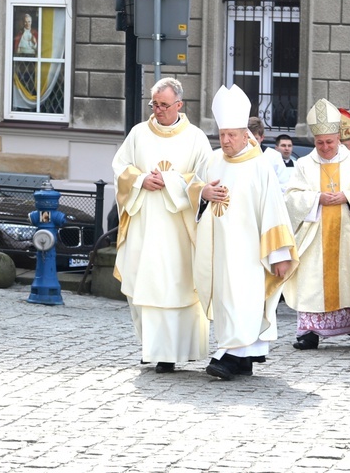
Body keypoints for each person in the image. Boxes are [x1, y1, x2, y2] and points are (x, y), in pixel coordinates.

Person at [189, 84, 297, 380]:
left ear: (244, 135)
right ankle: (243, 356)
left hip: (250, 252)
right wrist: (203, 193)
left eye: (231, 135)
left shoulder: (259, 166)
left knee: (243, 299)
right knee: (227, 302)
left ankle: (229, 356)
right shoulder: (212, 160)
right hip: (218, 249)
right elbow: (195, 189)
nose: (225, 141)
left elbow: (273, 210)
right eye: (222, 135)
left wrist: (279, 255)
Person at [112, 77, 212, 374]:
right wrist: (142, 179)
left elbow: (204, 179)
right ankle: (149, 348)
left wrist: (171, 182)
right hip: (143, 223)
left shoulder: (196, 138)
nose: (157, 110)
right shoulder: (138, 133)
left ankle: (171, 352)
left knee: (176, 289)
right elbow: (121, 168)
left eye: (164, 105)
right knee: (143, 286)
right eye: (154, 104)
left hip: (179, 230)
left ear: (179, 105)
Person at [284, 99, 350, 350]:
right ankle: (310, 332)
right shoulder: (304, 164)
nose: (325, 147)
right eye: (320, 143)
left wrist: (348, 197)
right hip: (315, 230)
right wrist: (316, 198)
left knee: (349, 277)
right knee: (311, 278)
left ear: (338, 138)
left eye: (329, 142)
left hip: (346, 231)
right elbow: (291, 197)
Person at [247, 116, 286, 190]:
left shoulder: (273, 156)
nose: (251, 142)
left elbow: (283, 185)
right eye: (248, 138)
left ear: (262, 138)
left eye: (255, 138)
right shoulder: (238, 155)